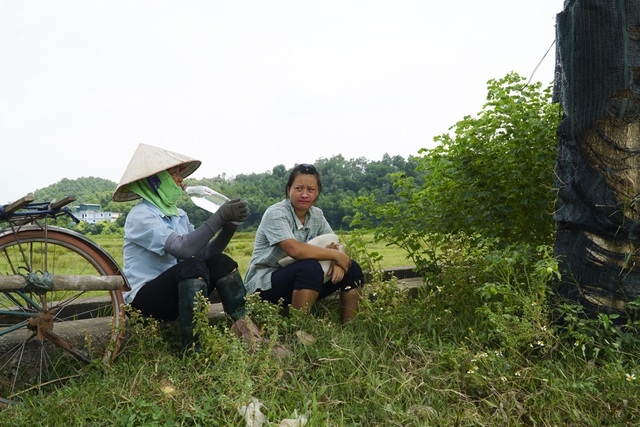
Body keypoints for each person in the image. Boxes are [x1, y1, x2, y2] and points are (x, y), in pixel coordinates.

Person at [113, 143, 264, 351]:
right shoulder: (140, 216)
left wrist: (229, 225)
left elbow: (206, 253)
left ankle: (249, 335)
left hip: (179, 292)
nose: (180, 179)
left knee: (221, 262)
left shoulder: (179, 215)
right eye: (173, 174)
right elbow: (183, 249)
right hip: (144, 301)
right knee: (191, 267)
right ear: (155, 181)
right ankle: (193, 350)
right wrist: (218, 217)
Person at [244, 163, 364, 323]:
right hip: (266, 283)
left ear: (318, 193)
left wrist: (339, 258)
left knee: (352, 268)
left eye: (311, 190)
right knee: (309, 267)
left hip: (302, 279)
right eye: (299, 188)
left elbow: (334, 241)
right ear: (289, 190)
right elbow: (294, 250)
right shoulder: (277, 213)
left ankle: (350, 327)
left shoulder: (317, 214)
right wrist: (336, 255)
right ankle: (299, 330)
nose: (304, 194)